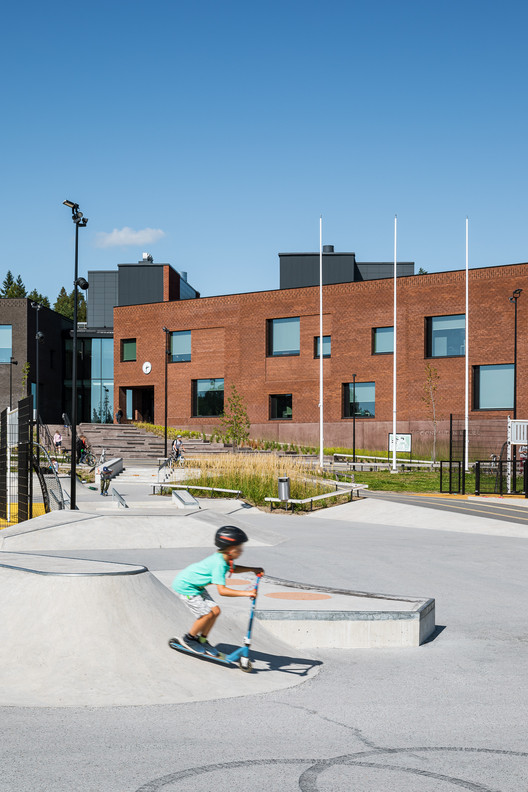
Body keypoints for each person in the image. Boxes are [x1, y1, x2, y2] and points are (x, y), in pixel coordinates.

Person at [171, 526, 264, 656]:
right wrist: (246, 593)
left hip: (197, 586)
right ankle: (189, 639)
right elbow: (222, 591)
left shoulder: (226, 559)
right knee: (206, 615)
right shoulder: (219, 563)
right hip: (186, 587)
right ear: (231, 549)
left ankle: (202, 640)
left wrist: (253, 569)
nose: (241, 551)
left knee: (216, 611)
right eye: (239, 548)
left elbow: (233, 569)